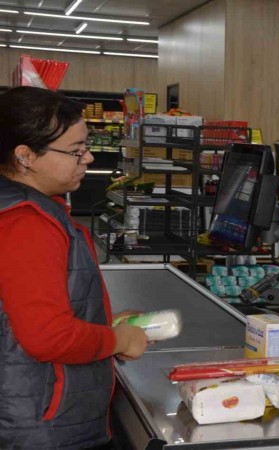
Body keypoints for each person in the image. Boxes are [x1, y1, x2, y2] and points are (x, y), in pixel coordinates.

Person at [0, 86, 149, 449]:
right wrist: (119, 339)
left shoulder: (22, 207)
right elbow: (48, 336)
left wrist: (100, 322)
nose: (88, 157)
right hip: (40, 426)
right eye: (76, 150)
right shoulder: (27, 223)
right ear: (25, 156)